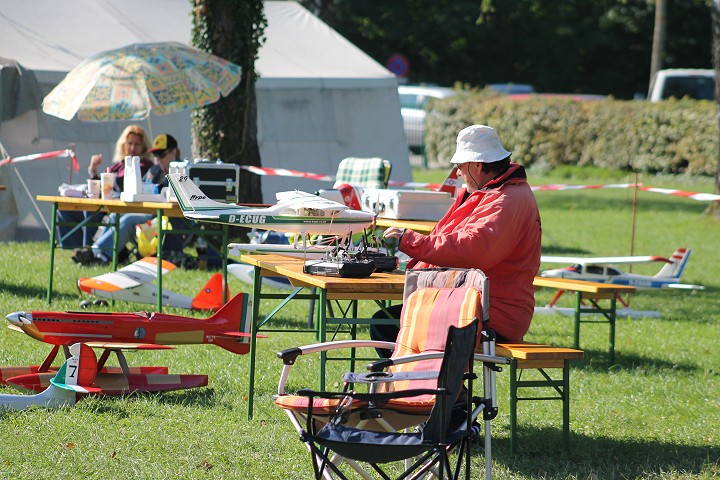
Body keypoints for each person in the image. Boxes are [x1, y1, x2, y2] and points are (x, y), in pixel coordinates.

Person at [371, 124, 542, 357]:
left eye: (459, 166)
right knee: (389, 322)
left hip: (492, 313)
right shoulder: (495, 194)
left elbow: (470, 250)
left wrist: (410, 241)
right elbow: (451, 241)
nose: (458, 173)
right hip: (476, 304)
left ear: (477, 165)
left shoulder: (504, 200)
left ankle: (424, 389)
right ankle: (434, 389)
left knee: (387, 325)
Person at [73, 133, 186, 265]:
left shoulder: (183, 172)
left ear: (174, 152)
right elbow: (141, 190)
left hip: (166, 217)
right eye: (155, 155)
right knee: (115, 216)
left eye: (161, 154)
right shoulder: (154, 171)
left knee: (129, 219)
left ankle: (96, 254)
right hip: (148, 212)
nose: (157, 159)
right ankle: (98, 255)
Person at [58, 125, 153, 252]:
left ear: (143, 147)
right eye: (129, 143)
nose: (132, 148)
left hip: (126, 208)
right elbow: (102, 188)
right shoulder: (117, 166)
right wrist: (93, 172)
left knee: (90, 210)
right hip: (107, 205)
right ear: (123, 145)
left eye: (137, 144)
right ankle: (76, 248)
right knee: (64, 210)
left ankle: (89, 250)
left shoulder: (146, 166)